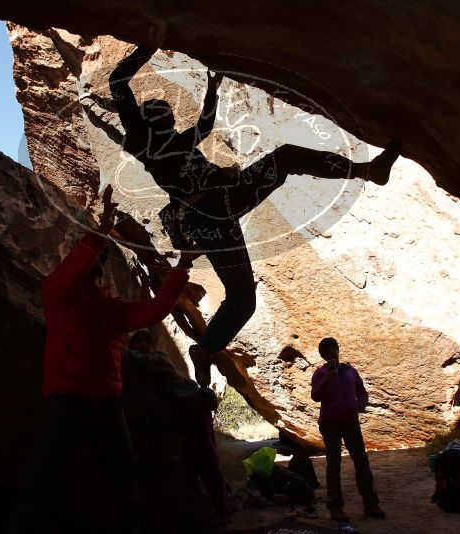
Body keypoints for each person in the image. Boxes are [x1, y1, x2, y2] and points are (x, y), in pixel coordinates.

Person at [109, 31, 402, 387]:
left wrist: (212, 89)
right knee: (244, 298)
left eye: (168, 111)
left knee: (286, 158)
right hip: (209, 215)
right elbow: (118, 79)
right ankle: (205, 350)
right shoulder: (142, 140)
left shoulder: (178, 140)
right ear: (145, 119)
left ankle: (366, 171)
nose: (168, 114)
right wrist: (151, 41)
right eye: (159, 111)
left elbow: (203, 125)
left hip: (225, 200)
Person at [10, 185, 200, 534]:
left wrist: (183, 264)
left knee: (121, 476)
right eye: (96, 267)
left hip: (105, 405)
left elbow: (156, 309)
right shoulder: (58, 296)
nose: (99, 272)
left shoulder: (111, 310)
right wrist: (99, 233)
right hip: (66, 402)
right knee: (45, 478)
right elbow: (69, 272)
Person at [124, 330, 230, 525]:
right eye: (139, 341)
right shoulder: (137, 369)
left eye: (147, 342)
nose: (144, 345)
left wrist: (126, 353)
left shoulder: (157, 358)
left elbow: (149, 364)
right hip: (186, 410)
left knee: (206, 456)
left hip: (196, 408)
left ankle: (221, 508)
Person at [310, 337, 385, 522]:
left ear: (337, 349)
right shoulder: (320, 373)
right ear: (322, 355)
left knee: (361, 462)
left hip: (351, 421)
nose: (330, 353)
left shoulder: (351, 371)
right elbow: (315, 396)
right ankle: (336, 507)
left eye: (332, 349)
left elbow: (362, 392)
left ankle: (371, 504)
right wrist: (326, 379)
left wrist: (360, 404)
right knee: (333, 464)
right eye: (326, 351)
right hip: (329, 423)